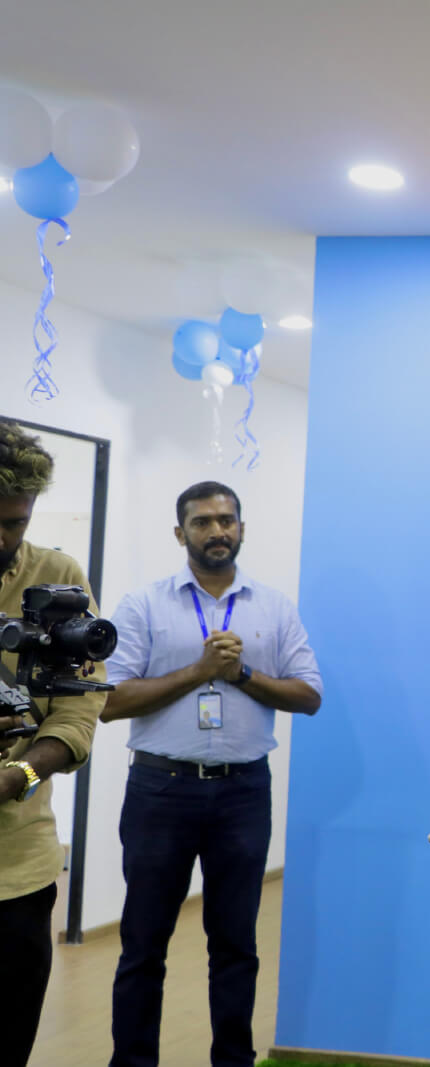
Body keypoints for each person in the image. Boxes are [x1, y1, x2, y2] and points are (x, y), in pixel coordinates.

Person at [102, 481, 323, 1067]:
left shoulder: (274, 608)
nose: (217, 531)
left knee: (235, 945)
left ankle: (233, 1061)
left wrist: (242, 674)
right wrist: (199, 671)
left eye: (227, 520)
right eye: (202, 522)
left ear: (242, 529)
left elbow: (309, 695)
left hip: (243, 794)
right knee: (143, 945)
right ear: (181, 535)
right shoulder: (143, 606)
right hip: (160, 791)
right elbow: (110, 699)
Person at [0, 420, 107, 1067]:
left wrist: (20, 774)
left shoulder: (57, 578)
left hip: (18, 870)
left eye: (15, 521)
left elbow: (78, 711)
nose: (1, 537)